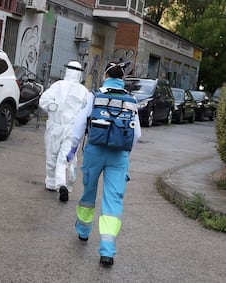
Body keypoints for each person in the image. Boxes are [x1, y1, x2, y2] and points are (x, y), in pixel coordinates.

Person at [66, 62, 141, 266]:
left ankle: (83, 230)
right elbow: (136, 134)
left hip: (95, 151)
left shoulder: (95, 95)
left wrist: (72, 150)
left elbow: (80, 125)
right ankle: (107, 251)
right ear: (121, 78)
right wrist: (126, 153)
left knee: (88, 192)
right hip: (119, 156)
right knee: (114, 200)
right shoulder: (130, 99)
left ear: (106, 75)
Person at [39, 61, 89, 202]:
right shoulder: (84, 91)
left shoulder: (57, 86)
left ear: (67, 71)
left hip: (55, 126)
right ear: (79, 73)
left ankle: (51, 182)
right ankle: (64, 184)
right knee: (66, 158)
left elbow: (44, 101)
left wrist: (51, 106)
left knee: (51, 156)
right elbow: (86, 112)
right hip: (73, 129)